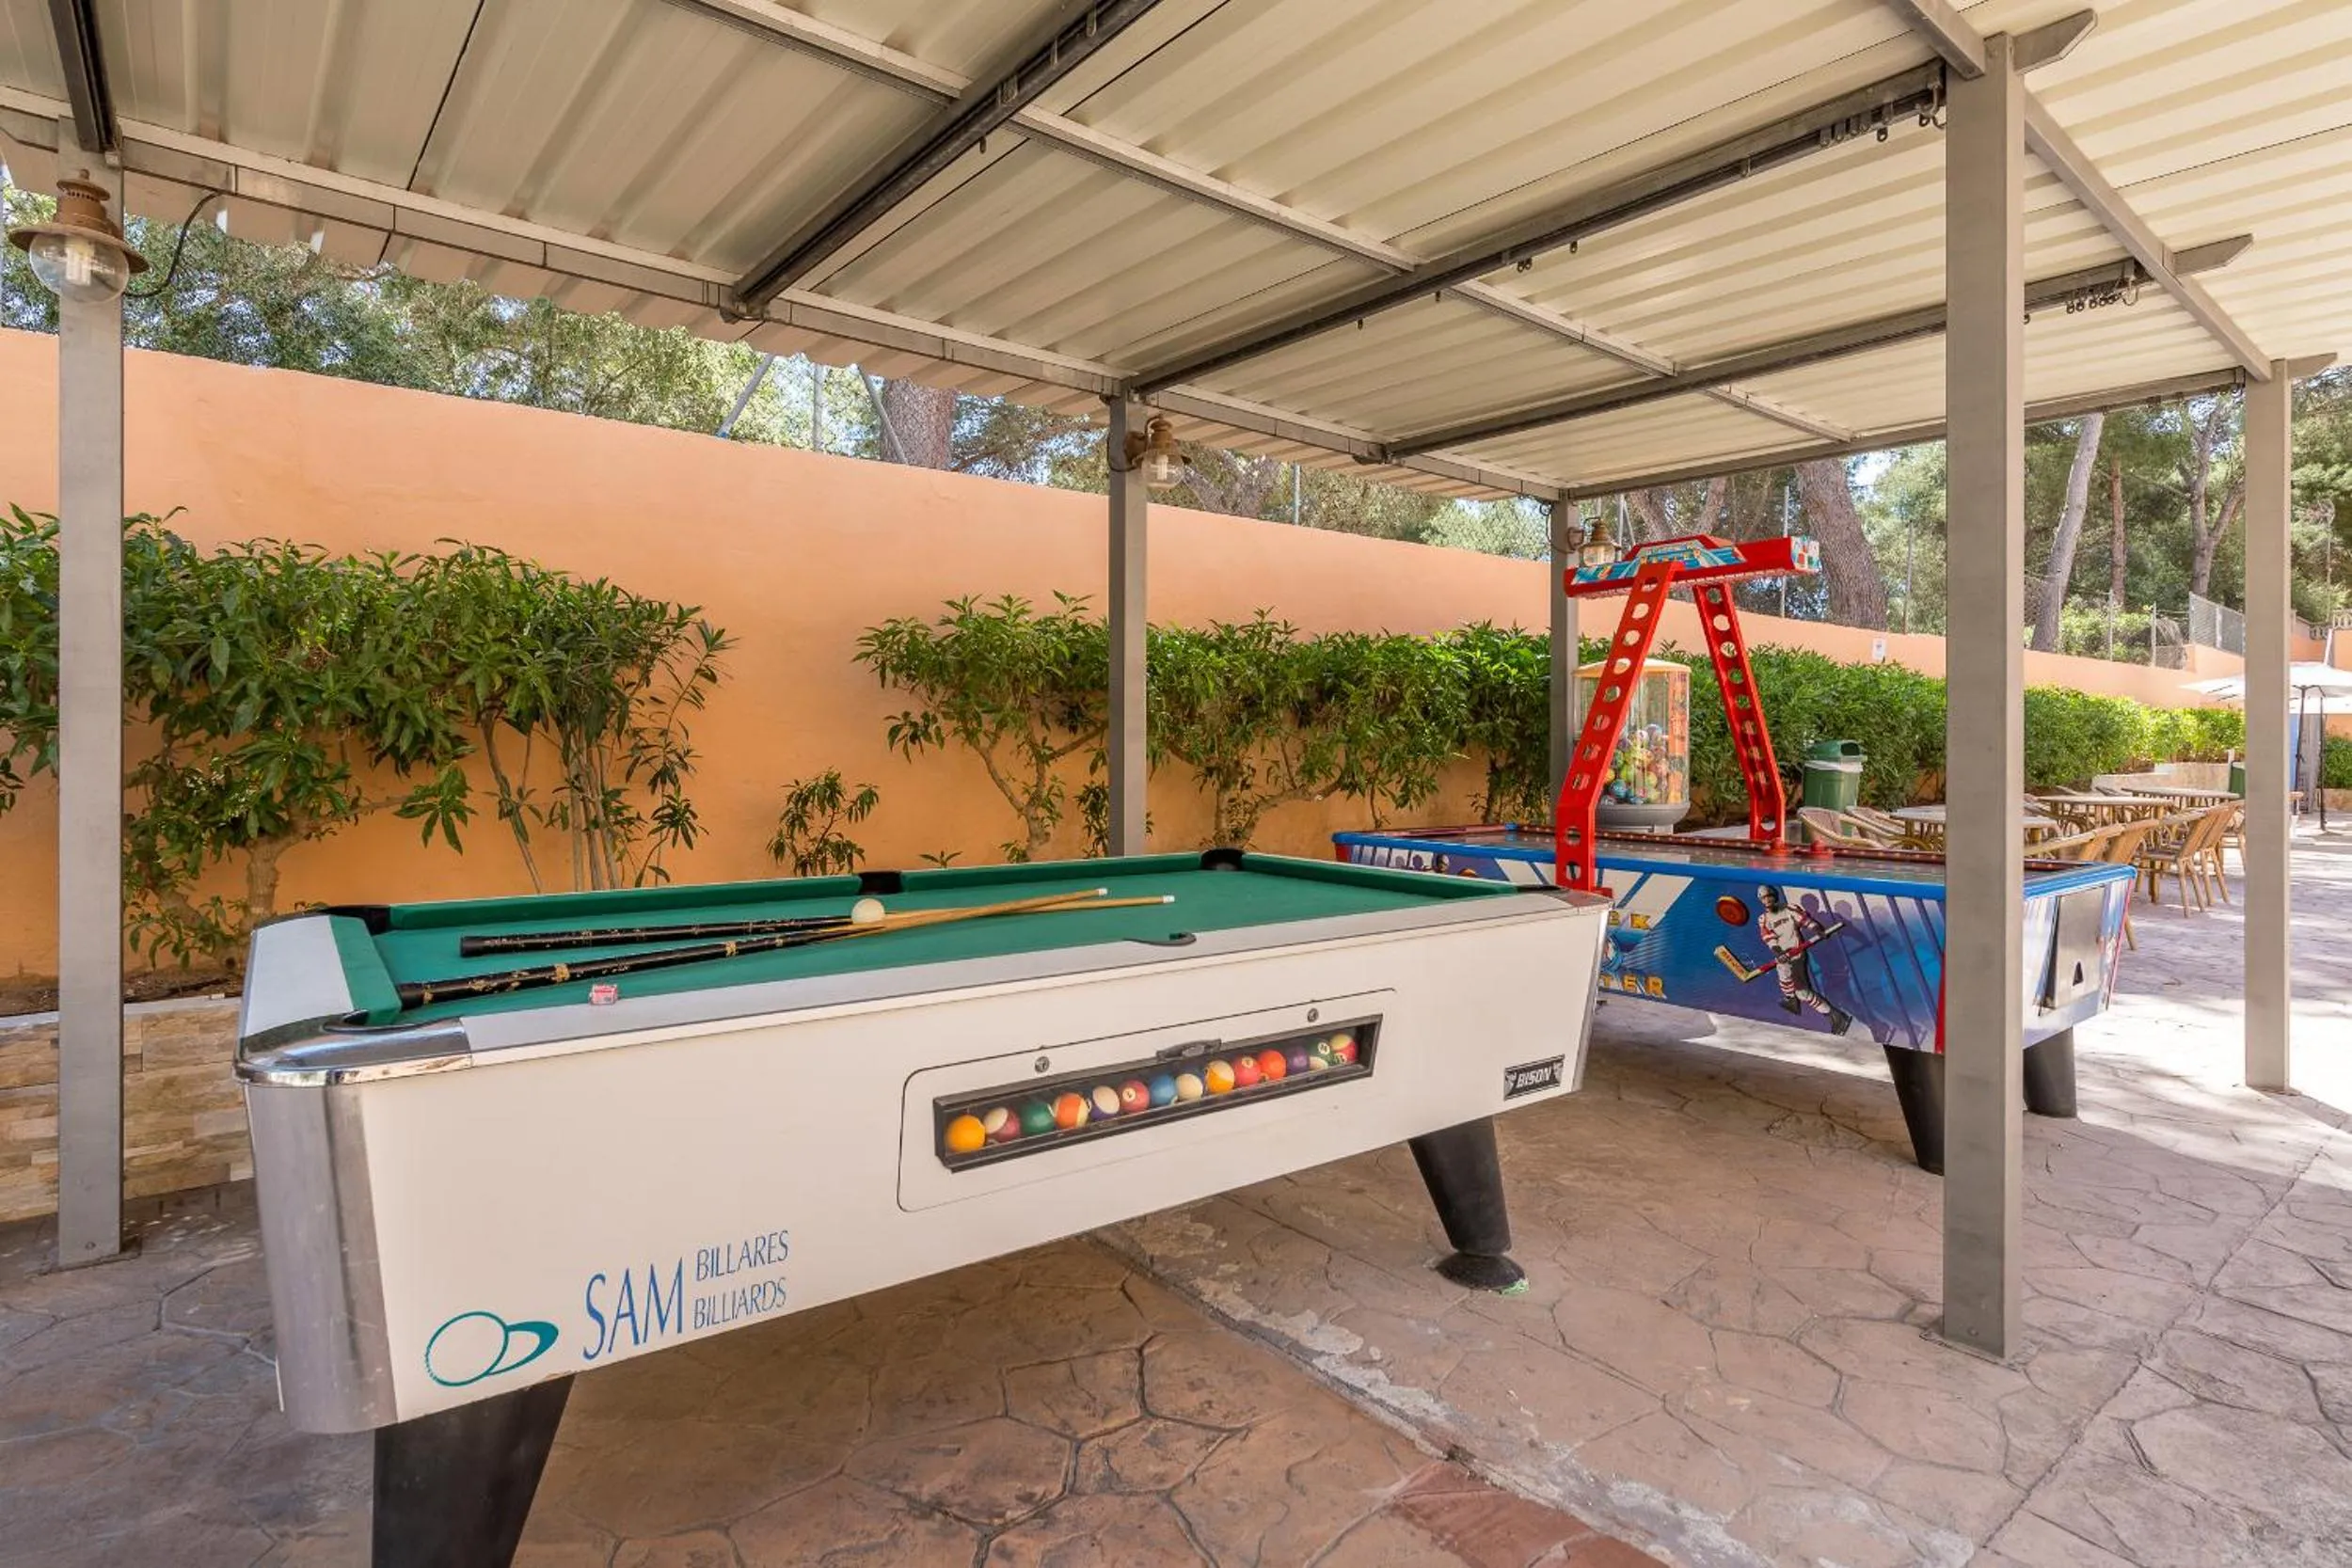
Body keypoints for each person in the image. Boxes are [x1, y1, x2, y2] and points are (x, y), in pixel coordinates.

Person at [1755, 885, 1851, 1034]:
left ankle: (1836, 1016)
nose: (1767, 900)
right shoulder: (1764, 919)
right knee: (1789, 982)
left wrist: (1817, 929)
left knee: (1801, 991)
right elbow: (1768, 938)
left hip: (1796, 956)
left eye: (1769, 896)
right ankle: (1794, 1002)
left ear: (1774, 896)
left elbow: (1806, 921)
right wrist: (1778, 951)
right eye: (1763, 898)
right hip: (1783, 956)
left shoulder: (1789, 909)